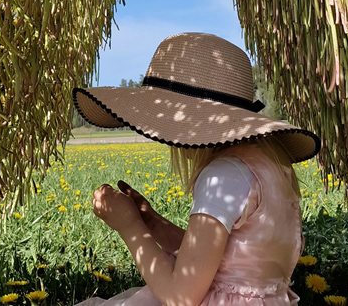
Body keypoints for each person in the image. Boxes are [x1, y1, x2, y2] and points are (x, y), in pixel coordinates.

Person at [72, 32, 321, 306]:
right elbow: (220, 258)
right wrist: (152, 222)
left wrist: (129, 226)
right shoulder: (270, 168)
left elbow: (181, 296)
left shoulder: (224, 175)